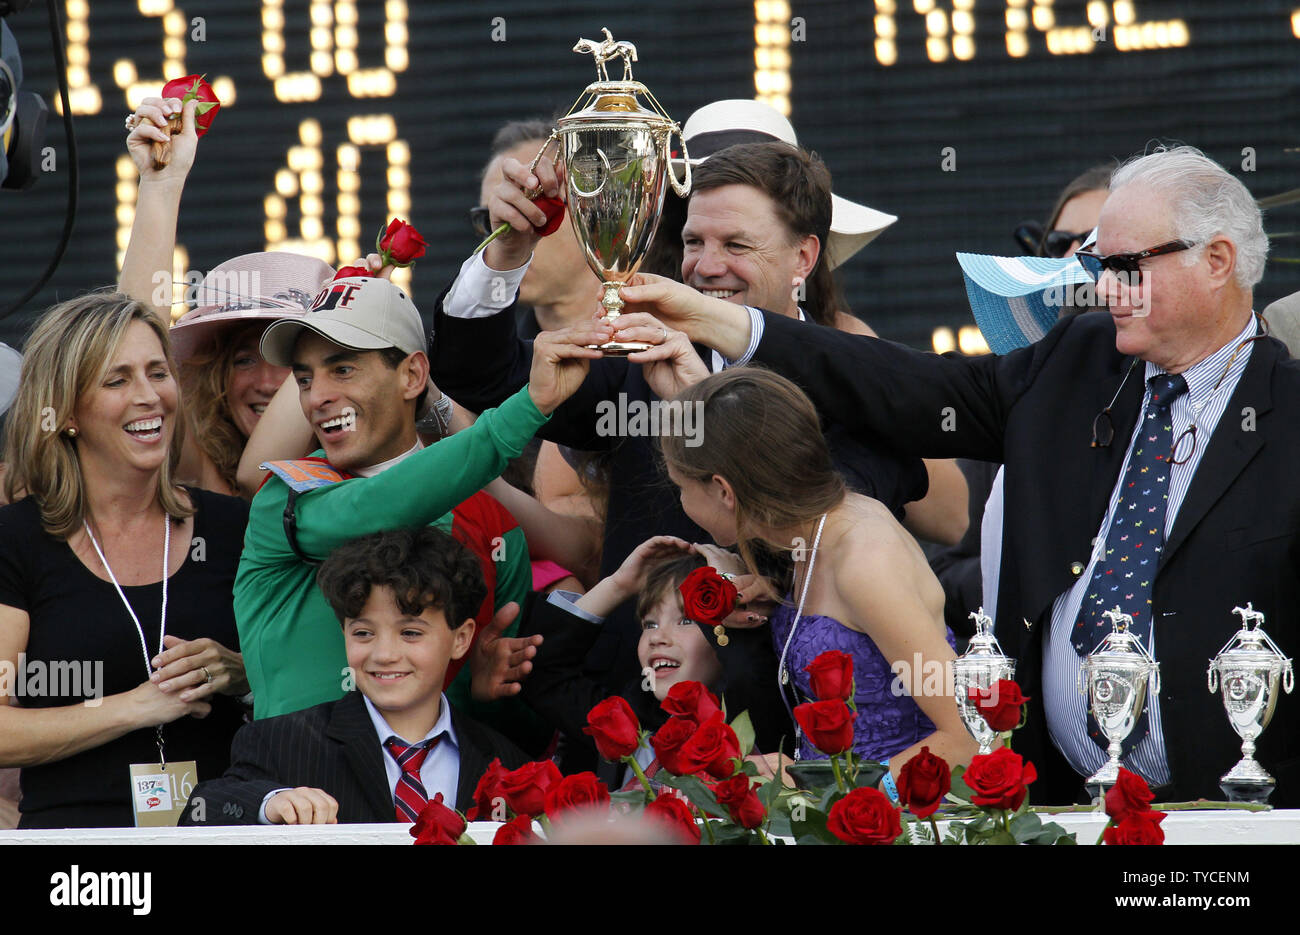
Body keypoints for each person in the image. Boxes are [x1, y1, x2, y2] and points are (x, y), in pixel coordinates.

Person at [618, 144, 1300, 806]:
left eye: (1126, 265)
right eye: (1098, 262)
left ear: (1217, 261)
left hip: (1246, 815)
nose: (1103, 283)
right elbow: (903, 386)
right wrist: (718, 318)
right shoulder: (1078, 360)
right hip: (1055, 803)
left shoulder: (1287, 413)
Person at [430, 141, 942, 717]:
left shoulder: (857, 379)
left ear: (803, 258)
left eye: (736, 245)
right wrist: (507, 252)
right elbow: (479, 373)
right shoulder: (642, 356)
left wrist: (704, 412)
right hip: (636, 731)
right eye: (696, 242)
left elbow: (834, 527)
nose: (707, 265)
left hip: (802, 746)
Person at [233, 272, 607, 726]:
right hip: (299, 788)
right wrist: (529, 405)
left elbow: (501, 723)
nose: (319, 398)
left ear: (412, 375)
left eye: (343, 369)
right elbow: (379, 506)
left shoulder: (493, 523)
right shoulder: (286, 494)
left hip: (437, 795)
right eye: (306, 380)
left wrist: (483, 688)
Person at [0, 293, 249, 828]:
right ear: (66, 412)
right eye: (117, 381)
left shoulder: (236, 528)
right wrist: (138, 706)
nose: (149, 396)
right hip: (77, 848)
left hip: (225, 828)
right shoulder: (15, 540)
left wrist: (243, 675)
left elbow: (313, 688)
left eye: (157, 372)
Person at [657, 368, 975, 775]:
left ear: (723, 490)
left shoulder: (864, 562)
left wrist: (820, 788)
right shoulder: (811, 534)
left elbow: (967, 735)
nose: (681, 501)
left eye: (680, 487)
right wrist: (769, 593)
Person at [182, 526, 530, 824]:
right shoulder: (280, 743)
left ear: (461, 638)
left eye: (410, 633)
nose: (384, 654)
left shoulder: (508, 763)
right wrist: (268, 803)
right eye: (363, 633)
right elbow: (201, 809)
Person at [118, 93, 335, 498]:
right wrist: (160, 183)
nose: (267, 383)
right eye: (245, 359)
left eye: (287, 358)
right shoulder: (196, 468)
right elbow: (131, 346)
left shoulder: (382, 470)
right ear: (217, 375)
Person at [522, 537, 790, 789]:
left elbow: (748, 671)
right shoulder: (629, 722)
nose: (657, 638)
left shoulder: (760, 714)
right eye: (649, 623)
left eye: (686, 620)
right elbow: (545, 676)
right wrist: (618, 586)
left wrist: (727, 587)